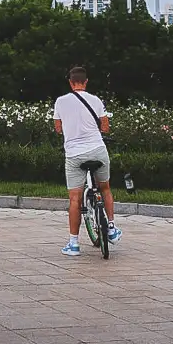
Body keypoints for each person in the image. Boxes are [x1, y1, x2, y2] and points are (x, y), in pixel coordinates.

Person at [53, 66, 121, 256]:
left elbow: (58, 128)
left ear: (70, 82)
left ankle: (74, 244)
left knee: (75, 198)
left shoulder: (60, 101)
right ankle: (112, 228)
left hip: (74, 154)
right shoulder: (96, 100)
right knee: (105, 188)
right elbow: (105, 127)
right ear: (86, 82)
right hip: (98, 150)